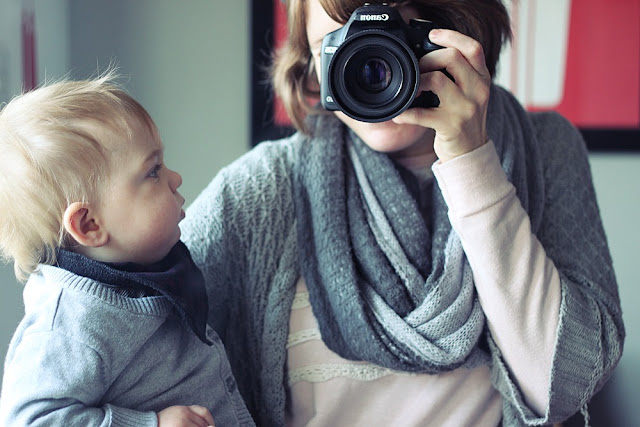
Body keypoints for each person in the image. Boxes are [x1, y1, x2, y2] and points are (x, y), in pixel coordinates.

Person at [180, 0, 625, 425]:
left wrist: (471, 161)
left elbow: (564, 385)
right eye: (333, 45)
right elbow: (142, 318)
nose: (365, 64)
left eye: (390, 38)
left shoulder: (541, 150)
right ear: (311, 63)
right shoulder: (265, 187)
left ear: (457, 29)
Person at [0, 72, 255, 427]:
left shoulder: (143, 266)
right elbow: (30, 420)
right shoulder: (70, 326)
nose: (175, 178)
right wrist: (151, 424)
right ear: (89, 225)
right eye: (153, 171)